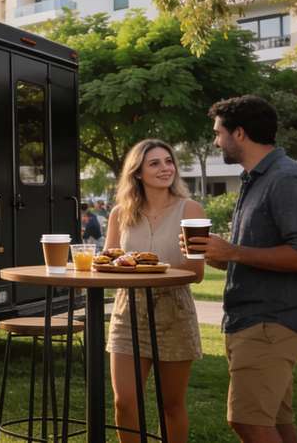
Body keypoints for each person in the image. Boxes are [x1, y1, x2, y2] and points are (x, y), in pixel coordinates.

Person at [184, 96, 297, 443]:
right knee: (275, 421)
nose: (216, 141)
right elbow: (252, 253)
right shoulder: (256, 178)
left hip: (271, 321)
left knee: (248, 422)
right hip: (254, 320)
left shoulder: (286, 179)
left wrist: (234, 251)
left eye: (219, 133)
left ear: (240, 133)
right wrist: (221, 254)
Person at [105, 139, 205, 443]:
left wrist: (146, 267)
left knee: (170, 405)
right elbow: (108, 262)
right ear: (137, 173)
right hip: (127, 312)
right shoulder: (120, 214)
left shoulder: (190, 209)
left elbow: (196, 272)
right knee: (124, 401)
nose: (165, 168)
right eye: (155, 163)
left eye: (168, 161)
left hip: (173, 312)